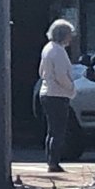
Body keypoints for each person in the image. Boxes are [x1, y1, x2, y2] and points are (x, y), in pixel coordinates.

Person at [38, 19, 76, 173]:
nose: (70, 38)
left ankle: (50, 160)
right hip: (58, 94)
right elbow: (61, 75)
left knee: (52, 130)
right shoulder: (59, 51)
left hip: (47, 92)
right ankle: (54, 162)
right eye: (69, 35)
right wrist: (71, 87)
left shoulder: (47, 48)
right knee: (59, 130)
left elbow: (41, 72)